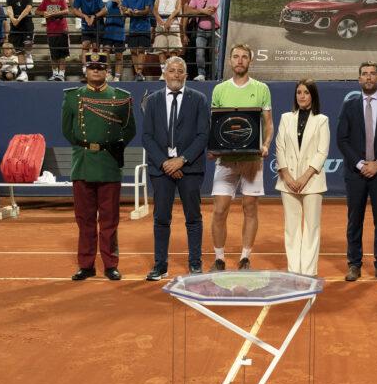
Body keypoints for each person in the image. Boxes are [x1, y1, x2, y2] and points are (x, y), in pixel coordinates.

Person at [62, 51, 136, 281]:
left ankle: (110, 264)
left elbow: (129, 129)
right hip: (83, 163)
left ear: (107, 71)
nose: (96, 70)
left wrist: (112, 146)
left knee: (109, 219)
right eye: (92, 67)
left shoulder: (120, 97)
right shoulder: (73, 97)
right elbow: (67, 130)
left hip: (108, 164)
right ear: (86, 70)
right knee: (84, 219)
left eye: (100, 68)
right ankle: (86, 265)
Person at [142, 56, 209, 280]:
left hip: (189, 168)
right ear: (165, 74)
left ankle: (195, 264)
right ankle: (160, 266)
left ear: (186, 75)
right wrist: (165, 162)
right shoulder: (152, 101)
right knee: (161, 217)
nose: (176, 75)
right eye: (172, 70)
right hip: (161, 169)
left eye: (181, 71)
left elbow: (202, 135)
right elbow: (147, 137)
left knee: (193, 217)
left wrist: (182, 160)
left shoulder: (199, 99)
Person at [210, 43, 274, 271]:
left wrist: (265, 145)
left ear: (250, 61)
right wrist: (212, 147)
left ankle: (245, 257)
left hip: (252, 161)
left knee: (250, 208)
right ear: (229, 61)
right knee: (219, 210)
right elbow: (214, 125)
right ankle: (219, 258)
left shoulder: (262, 89)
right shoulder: (219, 90)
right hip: (225, 161)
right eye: (236, 56)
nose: (239, 60)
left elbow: (268, 124)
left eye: (244, 57)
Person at [337, 62, 377, 282]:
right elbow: (342, 139)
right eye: (364, 74)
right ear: (359, 79)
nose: (368, 77)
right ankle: (354, 264)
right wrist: (360, 164)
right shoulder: (349, 106)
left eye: (372, 74)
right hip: (355, 173)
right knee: (354, 220)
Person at [275, 79, 330, 276]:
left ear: (312, 96)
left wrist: (304, 177)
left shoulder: (322, 120)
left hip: (312, 181)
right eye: (299, 92)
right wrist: (287, 176)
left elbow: (322, 151)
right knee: (291, 228)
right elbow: (279, 148)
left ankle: (308, 272)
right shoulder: (285, 118)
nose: (302, 96)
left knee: (311, 227)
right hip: (287, 182)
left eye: (306, 92)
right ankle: (293, 270)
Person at [185, 0, 219, 81]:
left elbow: (210, 12)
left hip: (215, 30)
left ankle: (214, 77)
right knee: (199, 53)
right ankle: (201, 74)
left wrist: (195, 10)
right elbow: (187, 11)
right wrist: (203, 10)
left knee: (214, 55)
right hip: (200, 31)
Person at [36, 0, 70, 81]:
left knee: (62, 54)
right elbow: (37, 12)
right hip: (51, 31)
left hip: (62, 30)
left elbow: (66, 11)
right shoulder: (45, 2)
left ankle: (62, 74)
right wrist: (44, 13)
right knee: (53, 54)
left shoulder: (61, 0)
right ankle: (55, 73)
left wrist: (53, 13)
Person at [121, 0, 151, 81]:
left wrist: (139, 12)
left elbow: (147, 10)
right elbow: (123, 7)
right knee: (133, 50)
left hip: (144, 26)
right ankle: (137, 73)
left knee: (141, 50)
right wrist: (127, 10)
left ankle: (139, 72)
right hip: (133, 27)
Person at [5, 0, 35, 80]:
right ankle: (23, 73)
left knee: (27, 44)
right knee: (18, 51)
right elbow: (9, 10)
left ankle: (29, 54)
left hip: (26, 25)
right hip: (15, 27)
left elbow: (28, 9)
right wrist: (13, 19)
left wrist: (18, 19)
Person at [152, 0, 182, 76]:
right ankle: (164, 73)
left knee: (174, 50)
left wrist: (169, 20)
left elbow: (177, 9)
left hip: (173, 25)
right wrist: (160, 21)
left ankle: (173, 72)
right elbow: (155, 10)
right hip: (160, 26)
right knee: (161, 50)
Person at [72, 0, 106, 64]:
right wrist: (85, 16)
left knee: (95, 46)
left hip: (97, 25)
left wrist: (94, 16)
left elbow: (104, 10)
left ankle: (95, 65)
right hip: (86, 25)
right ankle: (85, 66)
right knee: (85, 45)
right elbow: (75, 10)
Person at [101, 0, 125, 81]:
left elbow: (124, 16)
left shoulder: (124, 2)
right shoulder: (107, 2)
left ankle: (117, 76)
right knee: (105, 52)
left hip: (119, 32)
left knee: (119, 56)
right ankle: (109, 72)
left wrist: (119, 3)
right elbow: (102, 13)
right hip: (108, 32)